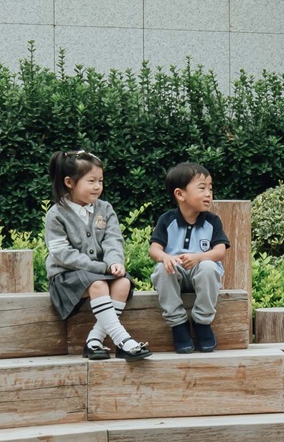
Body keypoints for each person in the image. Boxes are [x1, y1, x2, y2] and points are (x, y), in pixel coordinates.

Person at [45, 149, 150, 360]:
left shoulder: (105, 208)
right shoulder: (56, 214)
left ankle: (94, 341)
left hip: (100, 272)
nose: (97, 187)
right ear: (69, 182)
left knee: (123, 283)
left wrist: (115, 262)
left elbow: (113, 239)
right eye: (91, 181)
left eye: (100, 181)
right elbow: (61, 253)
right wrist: (101, 268)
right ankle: (123, 340)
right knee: (99, 285)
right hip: (67, 275)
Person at [149, 161, 230, 354]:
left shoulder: (212, 221)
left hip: (200, 271)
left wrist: (199, 257)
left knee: (210, 267)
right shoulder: (166, 220)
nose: (208, 193)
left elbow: (220, 251)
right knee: (161, 269)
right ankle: (178, 324)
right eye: (202, 188)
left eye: (210, 188)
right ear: (180, 194)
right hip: (175, 270)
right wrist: (165, 257)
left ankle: (202, 322)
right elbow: (154, 250)